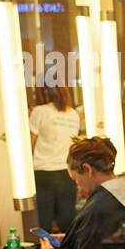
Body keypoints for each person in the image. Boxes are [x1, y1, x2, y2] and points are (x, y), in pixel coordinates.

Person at [29, 83, 84, 233]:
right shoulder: (73, 114)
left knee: (44, 224)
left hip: (43, 172)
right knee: (67, 223)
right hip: (66, 172)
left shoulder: (39, 111)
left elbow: (31, 144)